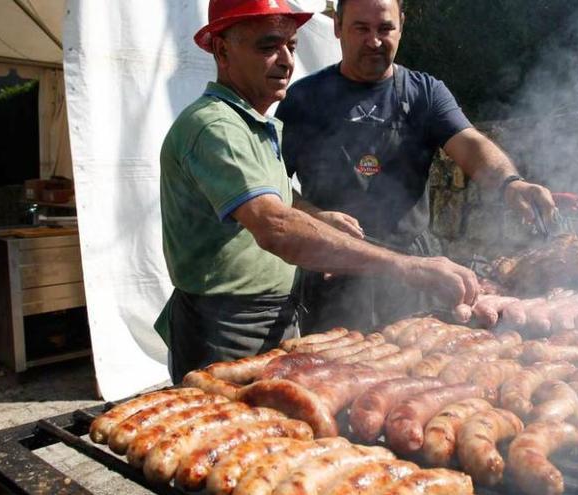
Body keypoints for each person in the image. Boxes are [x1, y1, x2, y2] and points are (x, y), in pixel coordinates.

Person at [156, 0, 479, 383]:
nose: (286, 60)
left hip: (276, 313)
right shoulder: (216, 127)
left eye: (291, 46)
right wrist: (405, 266)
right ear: (223, 50)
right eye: (268, 46)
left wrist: (313, 216)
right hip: (226, 326)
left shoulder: (253, 125)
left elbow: (273, 198)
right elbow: (274, 225)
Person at [275, 0, 559, 332]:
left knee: (411, 363)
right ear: (338, 27)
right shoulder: (302, 99)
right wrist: (312, 214)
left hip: (411, 270)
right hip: (334, 269)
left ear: (402, 26)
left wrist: (511, 183)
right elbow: (273, 184)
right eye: (361, 28)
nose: (374, 41)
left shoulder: (424, 92)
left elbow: (470, 144)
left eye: (385, 28)